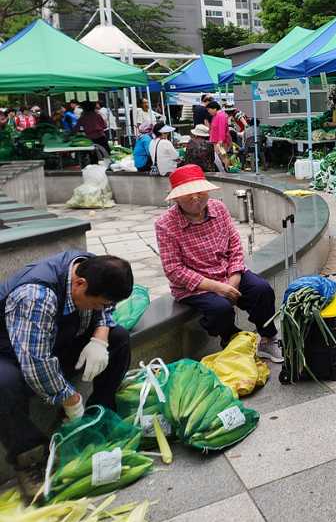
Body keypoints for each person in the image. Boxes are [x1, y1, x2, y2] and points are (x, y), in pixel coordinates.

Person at [0, 252, 133, 494]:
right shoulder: (36, 296)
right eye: (97, 304)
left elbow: (107, 307)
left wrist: (101, 338)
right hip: (11, 352)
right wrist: (71, 399)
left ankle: (98, 417)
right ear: (80, 284)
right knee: (4, 384)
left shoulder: (90, 267)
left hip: (54, 339)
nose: (100, 309)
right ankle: (30, 459)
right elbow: (36, 363)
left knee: (119, 338)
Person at [154, 165, 283, 362]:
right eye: (188, 193)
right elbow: (174, 270)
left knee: (261, 290)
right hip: (197, 285)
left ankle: (268, 337)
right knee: (220, 309)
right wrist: (217, 288)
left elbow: (235, 246)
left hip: (227, 272)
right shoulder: (165, 224)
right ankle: (231, 338)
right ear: (175, 198)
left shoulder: (218, 208)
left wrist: (234, 278)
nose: (196, 197)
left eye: (200, 191)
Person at [207, 101, 231, 172]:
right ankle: (226, 170)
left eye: (209, 109)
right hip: (217, 141)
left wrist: (220, 140)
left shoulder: (221, 115)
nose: (208, 112)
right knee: (221, 157)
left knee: (223, 157)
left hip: (220, 142)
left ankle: (227, 171)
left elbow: (222, 128)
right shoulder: (217, 115)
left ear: (214, 109)